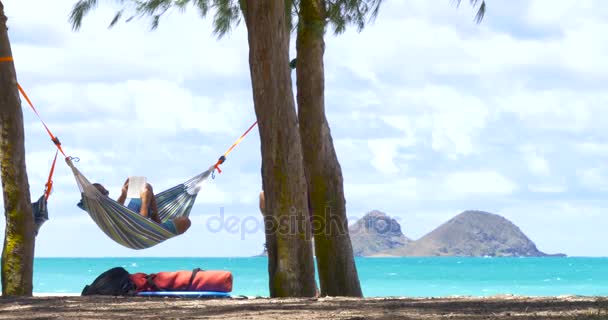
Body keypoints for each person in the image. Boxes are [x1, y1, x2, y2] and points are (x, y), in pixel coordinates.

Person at [88, 180, 191, 235]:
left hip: (128, 217)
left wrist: (123, 193)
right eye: (105, 192)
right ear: (96, 196)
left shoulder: (105, 205)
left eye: (107, 192)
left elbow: (117, 211)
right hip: (133, 228)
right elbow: (116, 219)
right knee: (185, 221)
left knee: (146, 186)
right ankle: (153, 216)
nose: (107, 194)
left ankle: (155, 216)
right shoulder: (99, 208)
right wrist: (144, 202)